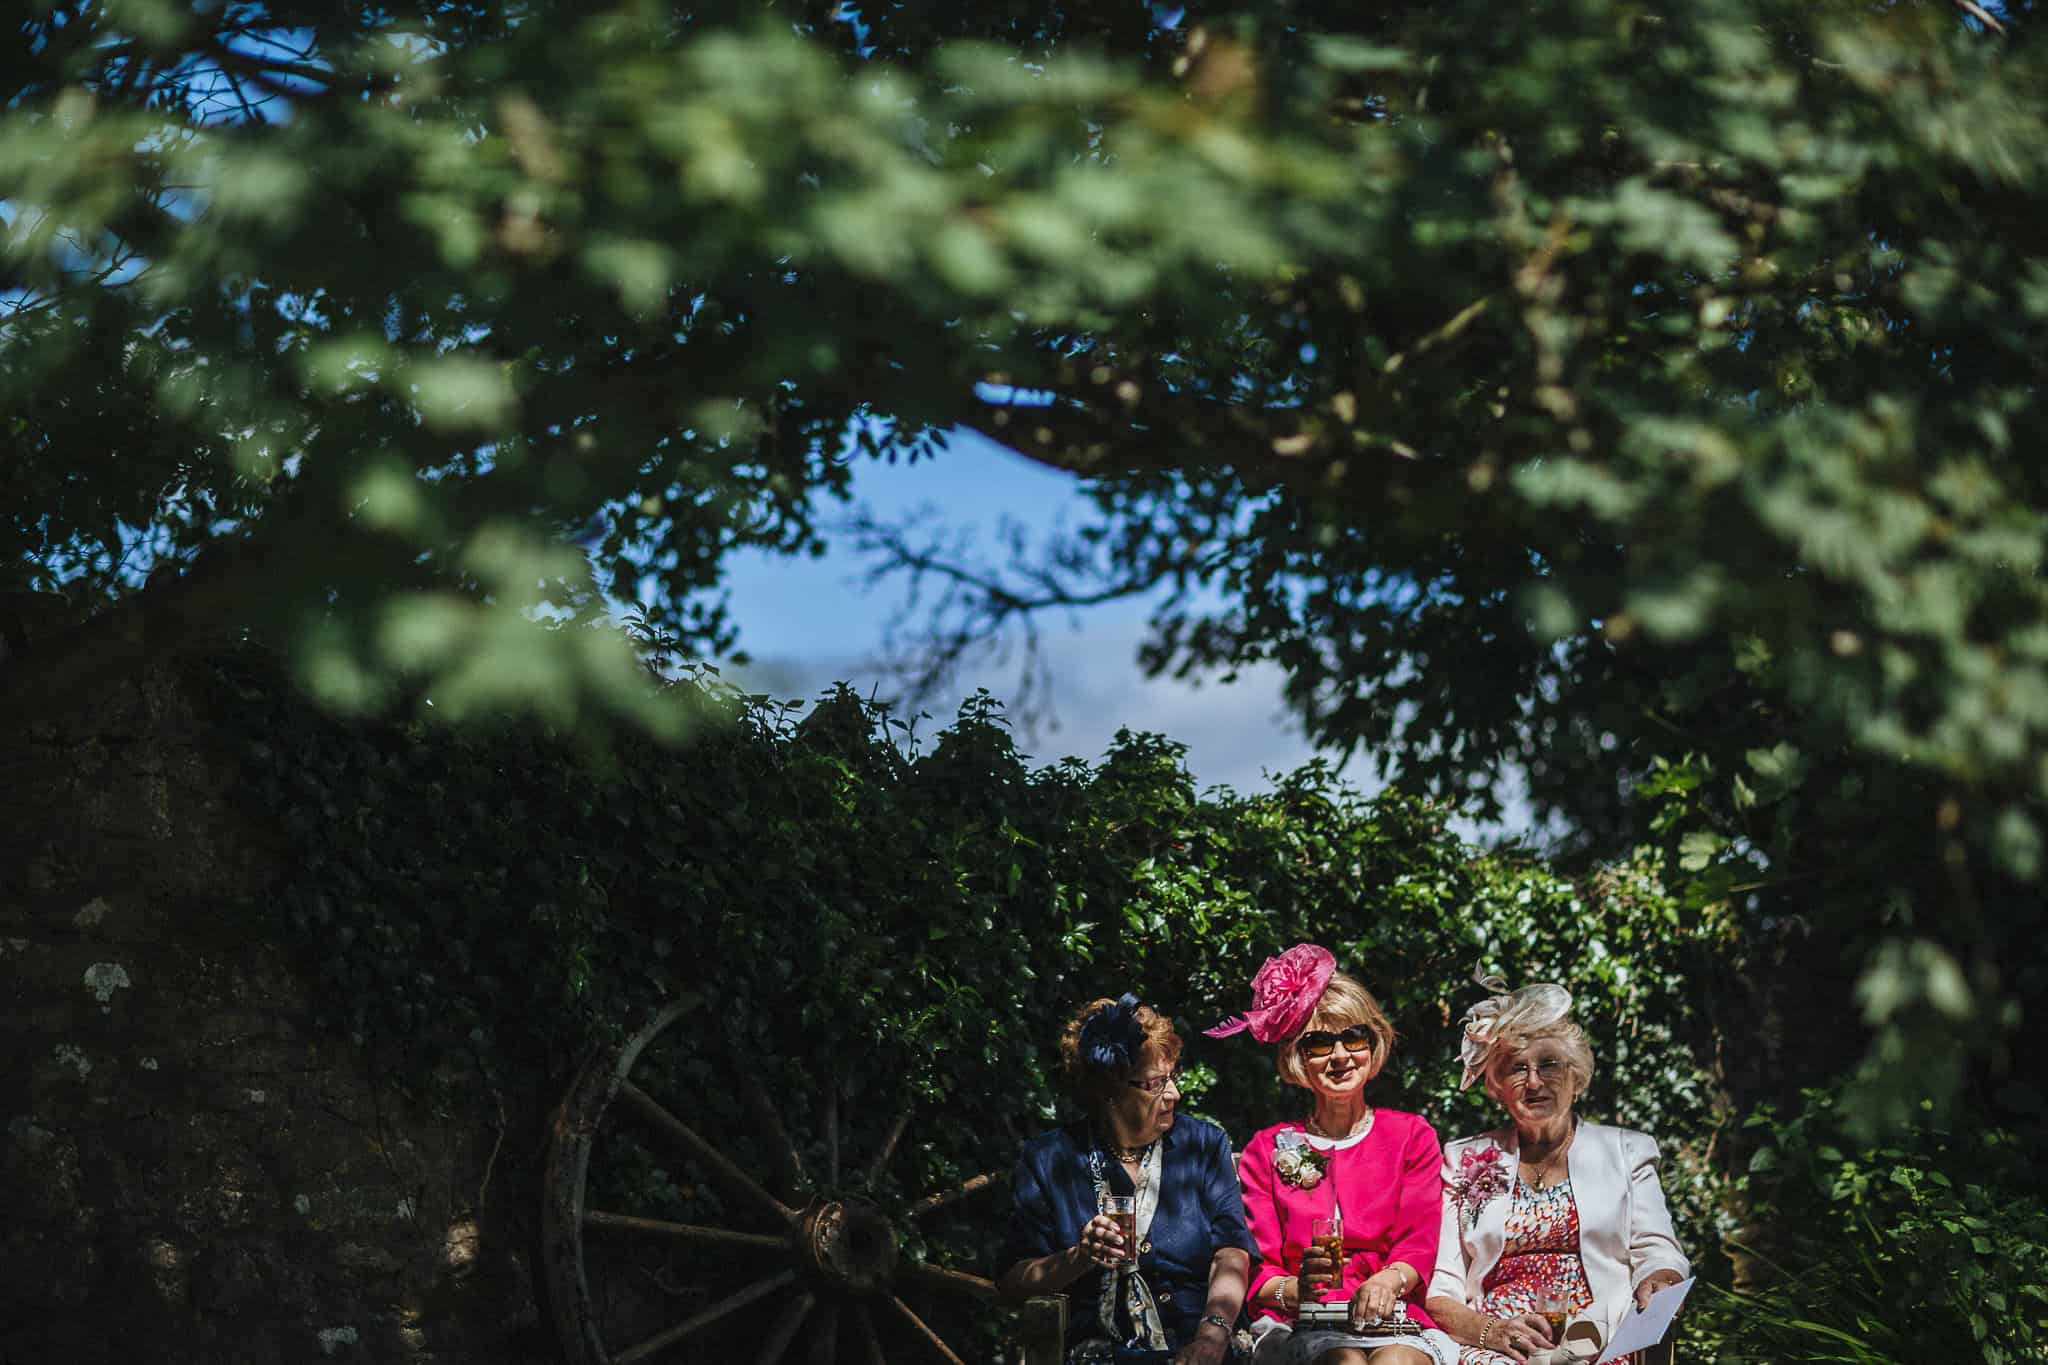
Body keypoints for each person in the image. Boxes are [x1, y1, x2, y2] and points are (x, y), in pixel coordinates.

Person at [1210, 944, 1460, 1365]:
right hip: (1300, 1324)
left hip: (1392, 1319)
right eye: (1320, 1043)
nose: (1341, 1055)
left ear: (1372, 1044)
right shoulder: (1266, 1148)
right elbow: (1260, 1270)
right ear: (1297, 1058)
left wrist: (1388, 1280)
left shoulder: (1411, 1135)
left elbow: (1418, 1243)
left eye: (1353, 1037)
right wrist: (1295, 1289)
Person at [1424, 977, 1690, 1365]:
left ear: (1576, 1077)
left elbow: (1658, 1249)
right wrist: (1491, 1332)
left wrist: (1661, 1279)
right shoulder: (1465, 1157)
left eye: (1548, 1065)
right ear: (1498, 1085)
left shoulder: (1627, 1150)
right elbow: (1442, 1284)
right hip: (1500, 1339)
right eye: (1517, 1069)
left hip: (1596, 1332)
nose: (1533, 1082)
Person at [999, 993, 1254, 1364]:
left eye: (1173, 1076)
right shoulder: (1050, 1159)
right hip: (1102, 1351)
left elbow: (1231, 1252)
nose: (1175, 1094)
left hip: (1197, 1344)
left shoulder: (1202, 1144)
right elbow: (1013, 1281)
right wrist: (1080, 1257)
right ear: (1110, 1092)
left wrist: (1212, 1336)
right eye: (1155, 1084)